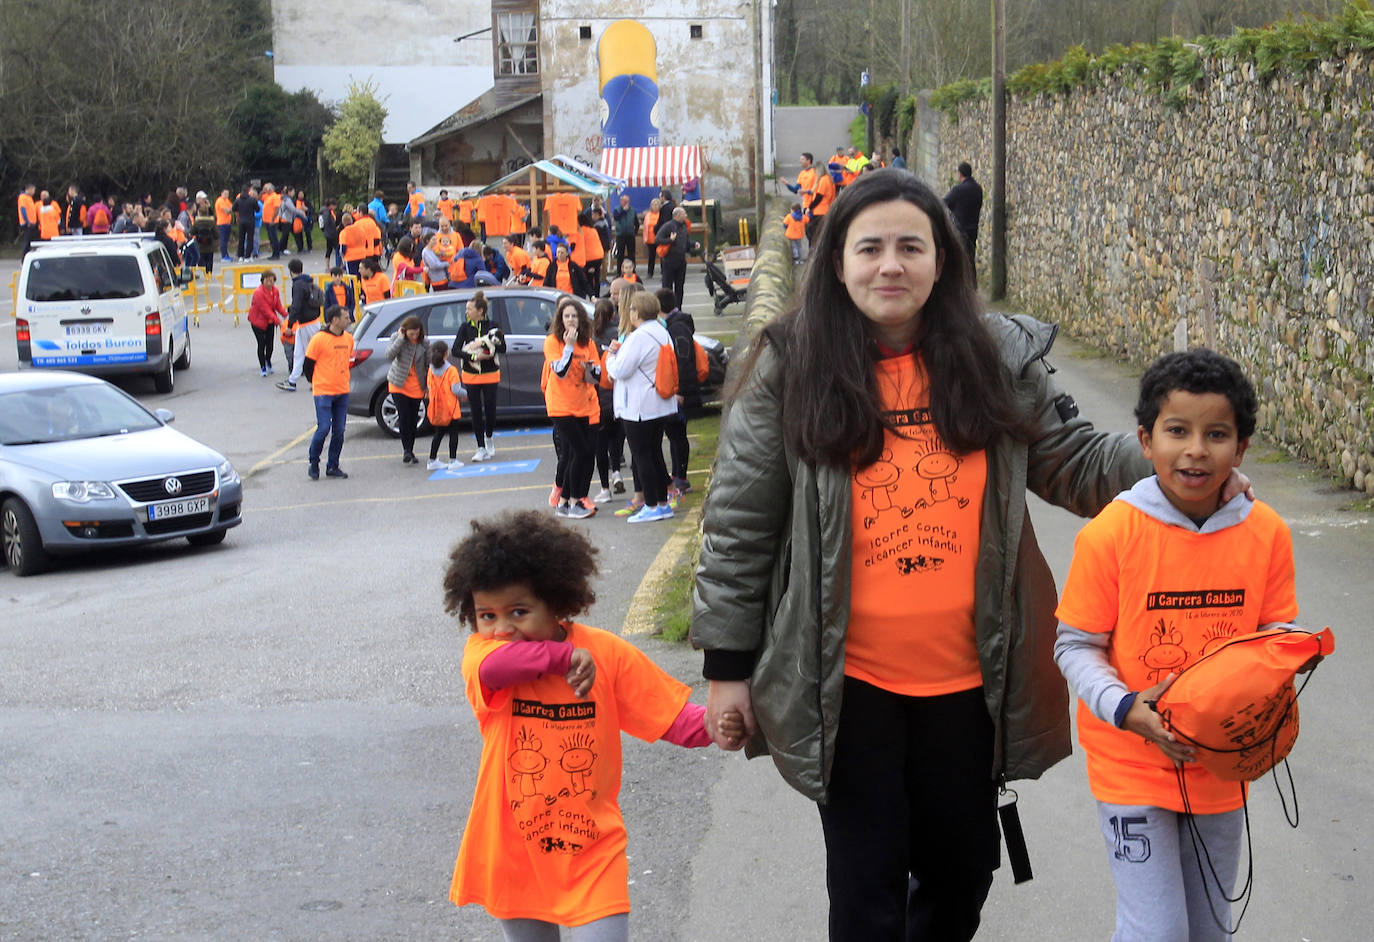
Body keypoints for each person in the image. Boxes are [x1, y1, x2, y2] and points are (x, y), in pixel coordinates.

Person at [688, 170, 1251, 941]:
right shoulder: (790, 366)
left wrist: (1177, 460)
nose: (891, 265)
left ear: (941, 260)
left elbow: (1074, 462)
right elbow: (739, 525)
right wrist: (727, 672)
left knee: (961, 877)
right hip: (845, 686)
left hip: (972, 681)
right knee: (865, 889)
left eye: (911, 247)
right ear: (837, 261)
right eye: (871, 247)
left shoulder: (995, 358)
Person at [1053, 348, 1293, 942]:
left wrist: (1270, 697)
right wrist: (1127, 707)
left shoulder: (1266, 534)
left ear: (1240, 449)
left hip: (1220, 768)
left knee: (1210, 930)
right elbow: (1075, 646)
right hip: (1131, 766)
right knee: (1156, 931)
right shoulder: (1111, 534)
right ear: (1145, 439)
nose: (1196, 450)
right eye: (1177, 431)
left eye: (1217, 435)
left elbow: (1277, 642)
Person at [445, 509, 735, 941]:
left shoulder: (607, 655)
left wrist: (723, 724)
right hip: (512, 850)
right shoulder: (482, 657)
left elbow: (675, 720)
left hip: (591, 852)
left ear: (557, 603)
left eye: (519, 611)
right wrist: (564, 658)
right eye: (487, 615)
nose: (501, 629)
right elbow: (502, 664)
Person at [605, 292, 677, 523]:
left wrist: (610, 357)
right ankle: (662, 503)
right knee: (655, 454)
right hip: (660, 403)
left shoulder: (639, 337)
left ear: (636, 311)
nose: (629, 313)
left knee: (642, 456)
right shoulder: (662, 332)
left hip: (638, 406)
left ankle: (652, 505)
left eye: (631, 309)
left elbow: (620, 370)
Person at [542, 296, 603, 520]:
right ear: (560, 319)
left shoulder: (588, 343)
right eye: (566, 316)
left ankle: (566, 500)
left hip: (582, 404)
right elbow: (559, 371)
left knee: (580, 453)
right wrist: (568, 347)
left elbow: (595, 377)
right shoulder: (553, 342)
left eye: (574, 316)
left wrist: (591, 369)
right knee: (581, 451)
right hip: (560, 405)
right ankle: (575, 500)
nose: (571, 320)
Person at [303, 305, 354, 480]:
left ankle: (333, 465)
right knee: (324, 427)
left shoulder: (348, 339)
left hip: (342, 390)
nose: (349, 320)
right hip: (324, 390)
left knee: (339, 430)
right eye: (346, 318)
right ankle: (313, 461)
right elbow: (308, 366)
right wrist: (317, 381)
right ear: (334, 320)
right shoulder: (319, 339)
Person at [456, 290, 505, 462]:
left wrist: (486, 345)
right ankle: (480, 447)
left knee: (490, 410)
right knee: (475, 411)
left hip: (491, 374)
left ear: (480, 311)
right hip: (471, 375)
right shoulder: (465, 327)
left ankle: (489, 437)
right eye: (466, 309)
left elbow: (502, 348)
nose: (466, 312)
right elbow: (456, 350)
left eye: (469, 309)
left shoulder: (493, 325)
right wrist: (473, 356)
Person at [658, 287, 697, 498]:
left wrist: (680, 390)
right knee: (674, 434)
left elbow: (682, 359)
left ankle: (680, 476)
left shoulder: (677, 328)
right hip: (677, 389)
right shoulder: (675, 325)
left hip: (680, 390)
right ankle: (677, 474)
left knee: (677, 434)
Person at [590, 298, 625, 503]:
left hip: (599, 396)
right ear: (613, 314)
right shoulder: (620, 335)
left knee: (600, 444)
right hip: (617, 394)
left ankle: (605, 489)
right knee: (616, 437)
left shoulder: (592, 338)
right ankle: (617, 472)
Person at [386, 314, 429, 464]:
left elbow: (428, 365)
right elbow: (389, 355)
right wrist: (400, 338)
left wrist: (428, 387)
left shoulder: (424, 343)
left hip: (417, 385)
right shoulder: (397, 339)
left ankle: (411, 449)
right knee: (403, 417)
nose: (414, 336)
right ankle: (406, 450)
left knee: (413, 419)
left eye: (416, 333)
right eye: (411, 333)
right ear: (405, 331)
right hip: (399, 383)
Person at [277, 259, 324, 392]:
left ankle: (316, 379)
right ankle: (292, 380)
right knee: (299, 352)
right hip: (313, 321)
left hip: (305, 323)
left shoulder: (297, 285)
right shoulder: (308, 282)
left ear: (291, 270)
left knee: (311, 353)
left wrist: (289, 325)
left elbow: (296, 306)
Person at [425, 341, 464, 471]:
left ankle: (432, 459)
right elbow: (456, 390)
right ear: (446, 354)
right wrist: (467, 393)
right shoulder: (451, 370)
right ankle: (452, 460)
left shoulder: (430, 369)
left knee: (438, 434)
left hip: (437, 407)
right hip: (450, 407)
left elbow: (429, 387)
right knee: (453, 434)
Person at [943, 161, 984, 271]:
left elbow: (944, 203)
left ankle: (960, 284)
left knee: (958, 259)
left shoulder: (958, 190)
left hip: (960, 229)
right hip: (973, 229)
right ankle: (972, 285)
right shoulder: (978, 189)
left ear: (960, 174)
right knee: (970, 259)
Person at [246, 269, 286, 375]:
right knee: (261, 343)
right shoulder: (259, 293)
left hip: (269, 322)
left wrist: (286, 315)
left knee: (270, 344)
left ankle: (268, 360)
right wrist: (279, 322)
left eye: (271, 281)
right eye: (267, 281)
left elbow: (278, 305)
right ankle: (263, 366)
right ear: (262, 281)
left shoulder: (275, 291)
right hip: (258, 321)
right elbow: (266, 310)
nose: (269, 283)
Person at [653, 207, 691, 312]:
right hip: (669, 261)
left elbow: (687, 240)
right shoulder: (668, 226)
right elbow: (657, 239)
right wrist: (670, 240)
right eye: (684, 214)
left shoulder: (684, 226)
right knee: (667, 288)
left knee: (680, 287)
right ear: (677, 215)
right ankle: (666, 309)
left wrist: (693, 244)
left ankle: (678, 308)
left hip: (681, 261)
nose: (686, 216)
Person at [611, 193, 639, 267]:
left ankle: (633, 270)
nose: (626, 203)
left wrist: (634, 232)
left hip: (630, 235)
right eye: (624, 201)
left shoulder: (632, 210)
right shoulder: (617, 209)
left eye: (627, 201)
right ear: (621, 201)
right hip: (620, 235)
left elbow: (636, 223)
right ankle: (619, 271)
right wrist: (623, 211)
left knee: (631, 254)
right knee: (620, 254)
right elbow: (616, 218)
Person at [233, 186, 258, 261]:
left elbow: (233, 208)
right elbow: (257, 209)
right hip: (250, 220)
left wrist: (238, 214)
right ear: (248, 191)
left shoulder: (238, 200)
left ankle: (240, 255)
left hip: (241, 220)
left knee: (241, 238)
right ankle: (247, 256)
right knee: (250, 238)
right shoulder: (252, 200)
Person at [641, 199, 661, 280]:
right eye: (653, 204)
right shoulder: (648, 215)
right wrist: (644, 239)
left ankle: (664, 272)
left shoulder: (661, 214)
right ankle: (650, 273)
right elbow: (645, 227)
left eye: (657, 204)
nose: (655, 206)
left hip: (659, 238)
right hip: (650, 239)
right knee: (651, 257)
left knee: (663, 256)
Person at [16, 184, 37, 256]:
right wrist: (27, 221)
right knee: (27, 242)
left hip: (31, 223)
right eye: (33, 190)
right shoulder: (23, 197)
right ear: (29, 189)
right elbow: (23, 210)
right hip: (27, 224)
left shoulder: (29, 198)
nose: (34, 192)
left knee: (30, 242)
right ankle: (24, 259)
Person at [215, 189, 235, 261]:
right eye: (225, 193)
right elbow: (227, 211)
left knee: (226, 240)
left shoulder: (227, 200)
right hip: (222, 223)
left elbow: (233, 207)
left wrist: (230, 209)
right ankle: (223, 256)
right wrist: (230, 209)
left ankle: (226, 254)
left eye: (228, 194)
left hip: (227, 223)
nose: (226, 195)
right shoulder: (220, 201)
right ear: (221, 193)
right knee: (223, 240)